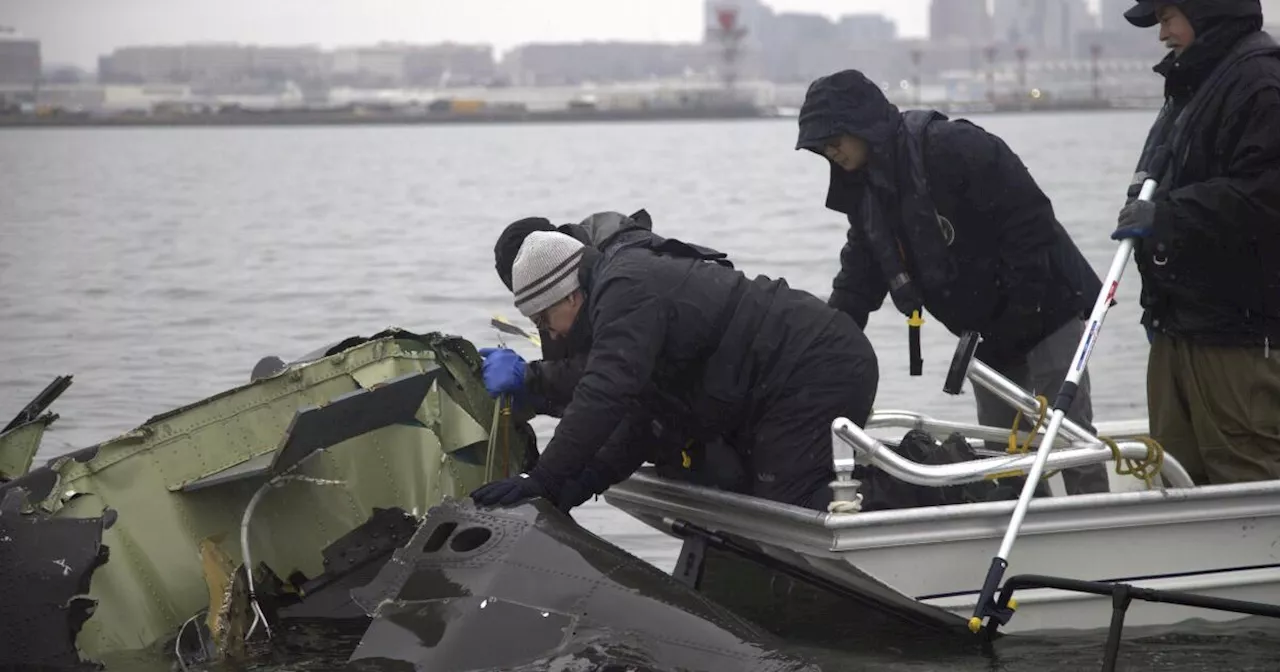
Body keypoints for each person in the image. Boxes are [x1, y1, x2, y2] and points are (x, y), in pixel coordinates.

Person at [793, 69, 1110, 495]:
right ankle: (1028, 533)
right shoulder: (865, 193)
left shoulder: (952, 146)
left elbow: (1030, 221)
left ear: (861, 126)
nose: (831, 153)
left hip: (1047, 308)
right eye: (821, 148)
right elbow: (859, 277)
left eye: (834, 140)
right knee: (1002, 451)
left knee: (1069, 434)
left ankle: (1095, 523)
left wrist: (1023, 306)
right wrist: (827, 342)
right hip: (984, 330)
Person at [470, 228, 880, 513]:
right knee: (752, 490)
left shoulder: (625, 289)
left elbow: (604, 394)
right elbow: (643, 422)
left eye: (544, 320)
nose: (549, 334)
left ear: (569, 294)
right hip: (783, 380)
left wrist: (542, 478)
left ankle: (920, 493)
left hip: (818, 363)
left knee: (792, 502)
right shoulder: (615, 302)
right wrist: (572, 486)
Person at [1111, 0, 1280, 485]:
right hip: (1177, 328)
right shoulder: (1192, 85)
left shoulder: (1260, 84)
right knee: (1173, 476)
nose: (1162, 34)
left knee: (1246, 478)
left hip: (1238, 340)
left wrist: (1168, 216)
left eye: (1167, 18)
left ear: (1206, 11)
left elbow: (1267, 195)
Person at [483, 211, 748, 509]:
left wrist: (534, 383)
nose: (551, 334)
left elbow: (607, 385)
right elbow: (624, 401)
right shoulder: (571, 293)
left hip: (752, 391)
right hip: (699, 408)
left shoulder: (623, 280)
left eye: (543, 318)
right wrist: (584, 477)